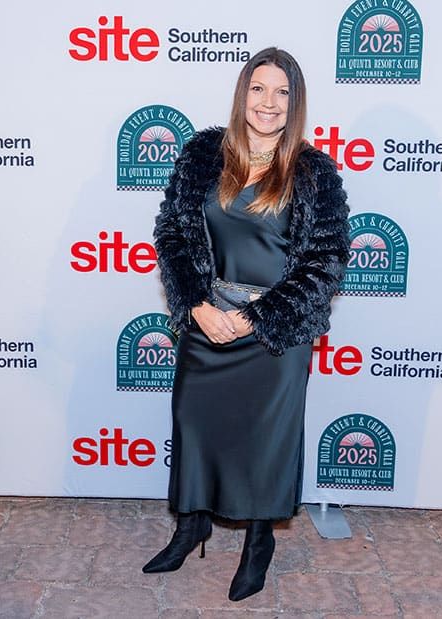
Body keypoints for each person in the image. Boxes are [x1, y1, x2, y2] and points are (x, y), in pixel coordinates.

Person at [144, 47, 350, 601]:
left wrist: (254, 320)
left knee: (265, 441)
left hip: (274, 336)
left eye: (282, 92)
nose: (269, 102)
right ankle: (191, 527)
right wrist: (197, 306)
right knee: (195, 425)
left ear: (295, 103)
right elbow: (172, 234)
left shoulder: (314, 173)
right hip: (207, 320)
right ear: (243, 94)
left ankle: (260, 543)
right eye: (259, 89)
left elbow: (324, 262)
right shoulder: (202, 154)